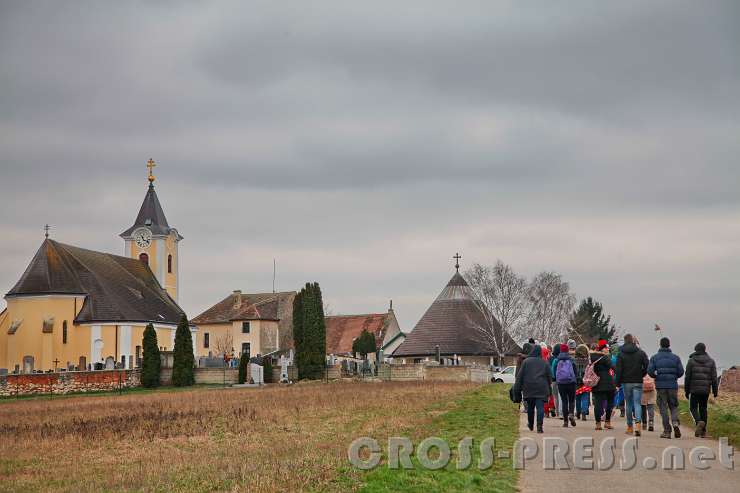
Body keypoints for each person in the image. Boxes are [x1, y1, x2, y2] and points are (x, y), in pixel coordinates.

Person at [648, 337, 685, 439]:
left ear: (660, 345)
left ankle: (667, 431)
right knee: (673, 406)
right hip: (672, 385)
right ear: (669, 345)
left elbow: (650, 371)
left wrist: (656, 376)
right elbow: (681, 372)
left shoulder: (654, 358)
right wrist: (674, 376)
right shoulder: (676, 358)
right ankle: (675, 422)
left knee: (663, 407)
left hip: (660, 386)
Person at [513, 344, 552, 433]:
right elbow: (550, 377)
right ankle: (539, 426)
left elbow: (520, 376)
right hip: (541, 388)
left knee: (530, 407)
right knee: (540, 407)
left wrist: (517, 388)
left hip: (529, 387)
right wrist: (549, 387)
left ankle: (530, 424)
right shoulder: (545, 362)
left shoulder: (526, 362)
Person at [615, 333, 649, 436]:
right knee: (637, 403)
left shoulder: (620, 354)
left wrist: (618, 382)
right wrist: (642, 374)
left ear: (625, 341)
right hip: (638, 381)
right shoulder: (641, 353)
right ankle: (638, 424)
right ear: (633, 341)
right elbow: (647, 365)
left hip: (626, 382)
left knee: (629, 404)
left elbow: (618, 369)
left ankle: (630, 427)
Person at [684, 342, 719, 438]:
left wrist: (686, 391)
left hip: (694, 389)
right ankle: (703, 432)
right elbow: (714, 378)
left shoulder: (691, 361)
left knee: (693, 407)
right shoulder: (711, 361)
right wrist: (715, 391)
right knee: (703, 408)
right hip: (705, 390)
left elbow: (687, 377)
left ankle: (699, 421)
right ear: (705, 349)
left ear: (695, 350)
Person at [590, 340, 615, 430]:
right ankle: (607, 422)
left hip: (596, 383)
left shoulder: (591, 357)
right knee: (609, 403)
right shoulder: (605, 357)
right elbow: (613, 367)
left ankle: (598, 424)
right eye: (606, 347)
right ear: (602, 349)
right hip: (608, 383)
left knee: (598, 403)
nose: (607, 349)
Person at [555, 343, 577, 427]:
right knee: (571, 400)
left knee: (564, 401)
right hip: (571, 382)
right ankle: (571, 413)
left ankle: (565, 422)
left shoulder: (557, 360)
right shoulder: (571, 359)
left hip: (561, 383)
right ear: (567, 350)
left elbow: (554, 371)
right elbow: (575, 370)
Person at [574, 344, 591, 421]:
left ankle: (578, 412)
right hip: (586, 381)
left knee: (577, 398)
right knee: (585, 398)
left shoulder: (574, 361)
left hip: (576, 381)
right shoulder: (588, 361)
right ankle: (584, 413)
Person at [549, 344, 561, 418]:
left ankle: (557, 412)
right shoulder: (563, 358)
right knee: (561, 397)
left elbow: (551, 370)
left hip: (554, 380)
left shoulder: (552, 359)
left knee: (555, 397)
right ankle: (561, 411)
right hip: (563, 380)